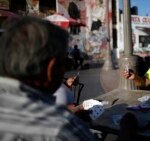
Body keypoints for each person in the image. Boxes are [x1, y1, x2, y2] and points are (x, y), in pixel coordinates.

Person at [0, 16, 136, 141]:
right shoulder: (60, 127)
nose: (65, 69)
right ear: (51, 68)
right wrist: (126, 129)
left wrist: (74, 112)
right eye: (64, 62)